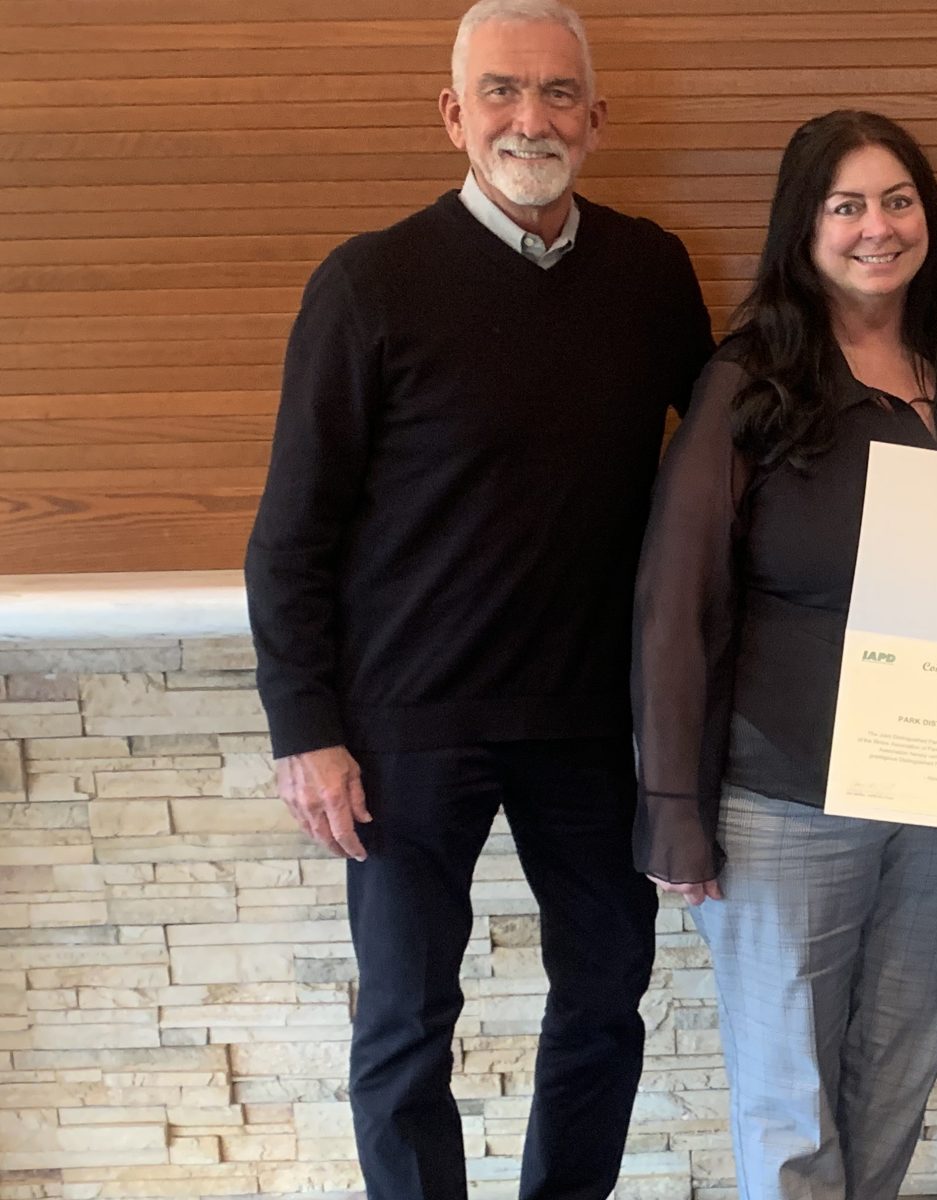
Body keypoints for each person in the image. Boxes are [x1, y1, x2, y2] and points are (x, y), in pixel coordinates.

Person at [243, 1, 713, 1196]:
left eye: (558, 94)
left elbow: (725, 475)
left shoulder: (651, 274)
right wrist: (307, 732)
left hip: (592, 725)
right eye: (501, 91)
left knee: (607, 997)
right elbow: (290, 534)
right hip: (405, 726)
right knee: (404, 1019)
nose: (530, 118)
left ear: (596, 121)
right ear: (454, 115)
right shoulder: (368, 284)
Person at [629, 110, 937, 1200]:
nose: (875, 228)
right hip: (784, 800)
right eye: (845, 206)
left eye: (896, 201)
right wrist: (671, 807)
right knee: (789, 1094)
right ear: (803, 227)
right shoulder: (751, 376)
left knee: (894, 1073)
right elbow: (674, 600)